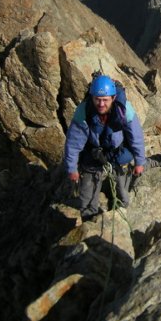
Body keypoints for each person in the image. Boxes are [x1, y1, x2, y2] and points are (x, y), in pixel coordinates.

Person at [63, 74, 145, 220]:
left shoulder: (124, 109)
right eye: (97, 99)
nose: (101, 104)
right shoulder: (84, 110)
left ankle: (120, 211)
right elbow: (73, 142)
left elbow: (136, 137)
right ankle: (89, 216)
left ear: (113, 98)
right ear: (92, 97)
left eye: (105, 100)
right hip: (94, 153)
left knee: (121, 190)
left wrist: (139, 162)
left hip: (117, 152)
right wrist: (72, 168)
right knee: (87, 191)